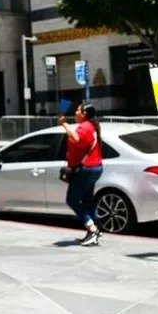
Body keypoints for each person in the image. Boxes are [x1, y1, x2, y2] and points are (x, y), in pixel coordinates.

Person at [59, 103, 103, 246]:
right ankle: (96, 229)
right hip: (94, 168)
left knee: (72, 200)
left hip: (86, 169)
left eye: (77, 110)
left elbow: (76, 138)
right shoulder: (91, 126)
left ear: (84, 113)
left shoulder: (84, 127)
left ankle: (92, 228)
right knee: (87, 199)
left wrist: (64, 124)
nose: (75, 112)